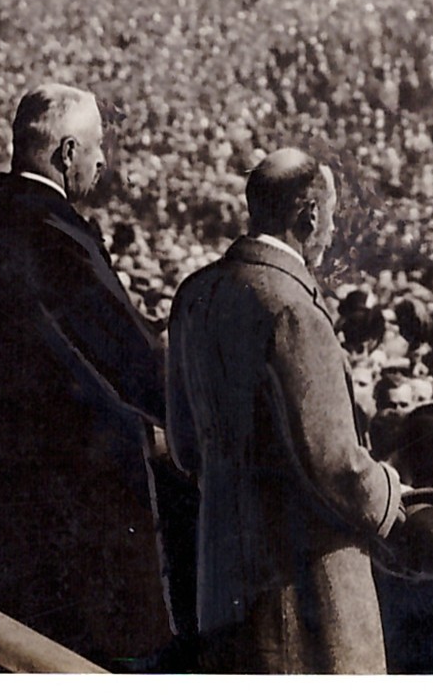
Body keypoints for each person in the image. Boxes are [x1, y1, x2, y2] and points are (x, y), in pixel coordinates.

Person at [0, 83, 175, 667]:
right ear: (66, 152)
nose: (104, 162)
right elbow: (128, 355)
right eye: (97, 149)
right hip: (78, 485)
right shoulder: (57, 232)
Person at [169, 147, 406, 674]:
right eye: (332, 217)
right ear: (310, 215)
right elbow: (339, 467)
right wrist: (393, 494)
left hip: (223, 577)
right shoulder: (293, 309)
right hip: (303, 590)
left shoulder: (195, 293)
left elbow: (185, 445)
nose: (331, 231)